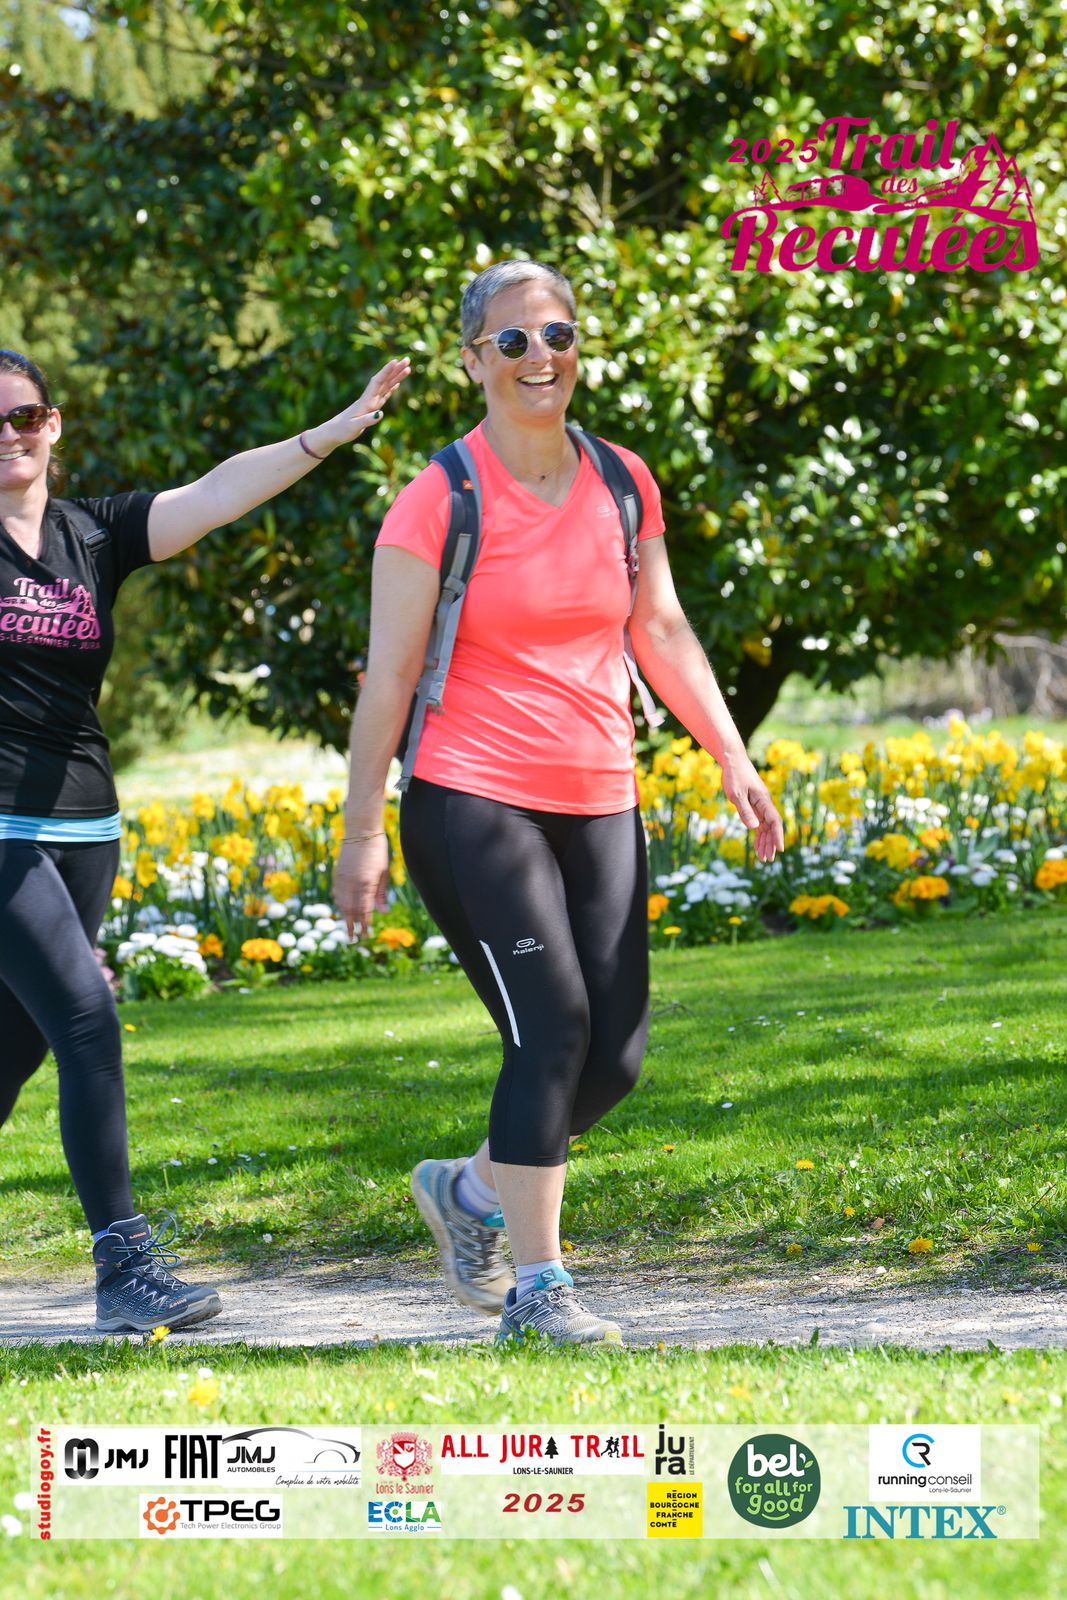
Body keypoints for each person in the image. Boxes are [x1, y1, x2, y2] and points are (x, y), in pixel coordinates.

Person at [335, 260, 783, 1346]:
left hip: (600, 794)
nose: (540, 356)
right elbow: (387, 679)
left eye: (557, 335)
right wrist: (360, 830)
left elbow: (658, 626)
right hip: (471, 796)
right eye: (513, 340)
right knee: (552, 1030)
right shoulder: (437, 498)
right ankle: (537, 1293)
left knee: (613, 1058)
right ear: (472, 362)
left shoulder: (621, 479)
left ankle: (468, 1189)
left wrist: (728, 752)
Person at [0, 347, 409, 1332]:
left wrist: (330, 434)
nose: (10, 436)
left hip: (85, 825)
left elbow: (218, 493)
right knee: (88, 1019)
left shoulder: (91, 532)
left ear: (53, 424)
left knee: (14, 1049)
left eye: (24, 416)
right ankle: (124, 1266)